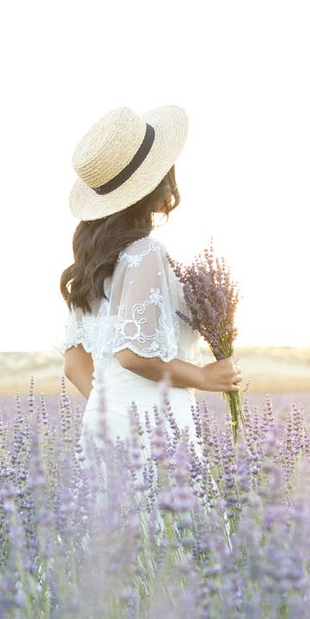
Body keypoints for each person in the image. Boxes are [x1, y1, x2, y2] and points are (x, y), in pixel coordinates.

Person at [57, 105, 243, 452]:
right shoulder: (145, 253)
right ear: (156, 181)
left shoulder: (92, 264)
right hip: (155, 429)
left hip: (101, 432)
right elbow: (131, 355)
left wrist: (108, 411)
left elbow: (73, 363)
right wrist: (202, 376)